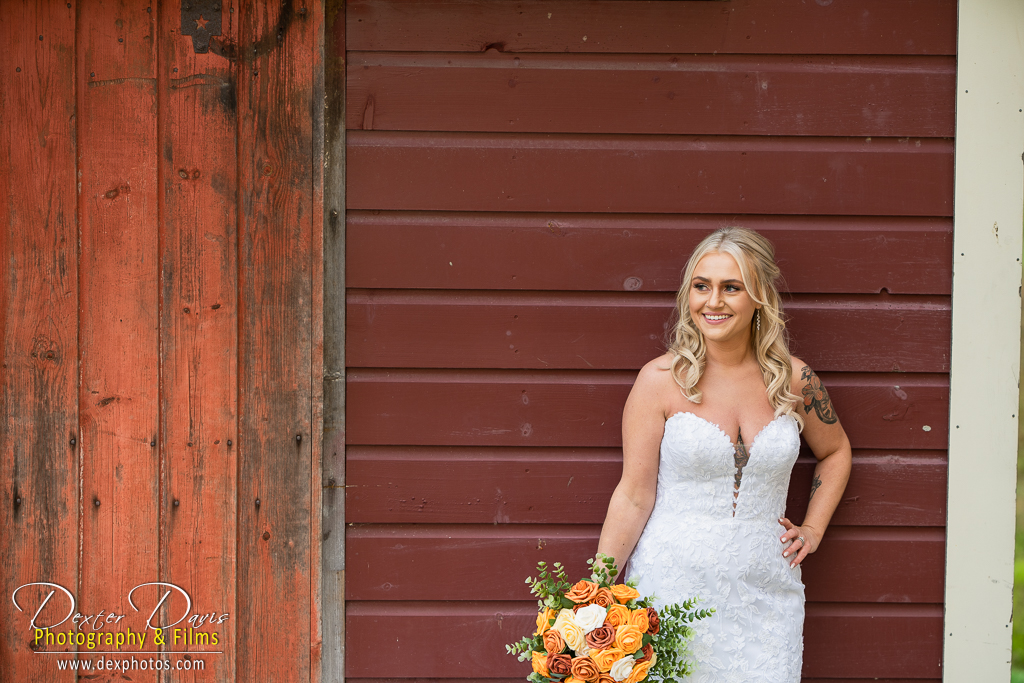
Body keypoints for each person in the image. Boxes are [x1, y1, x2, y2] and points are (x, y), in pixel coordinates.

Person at [596, 227, 852, 682]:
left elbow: (835, 452)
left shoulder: (795, 381)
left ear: (759, 296)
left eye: (730, 287)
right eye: (701, 286)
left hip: (767, 593)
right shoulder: (659, 380)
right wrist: (597, 595)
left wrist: (812, 529)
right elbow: (634, 495)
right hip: (671, 588)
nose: (712, 301)